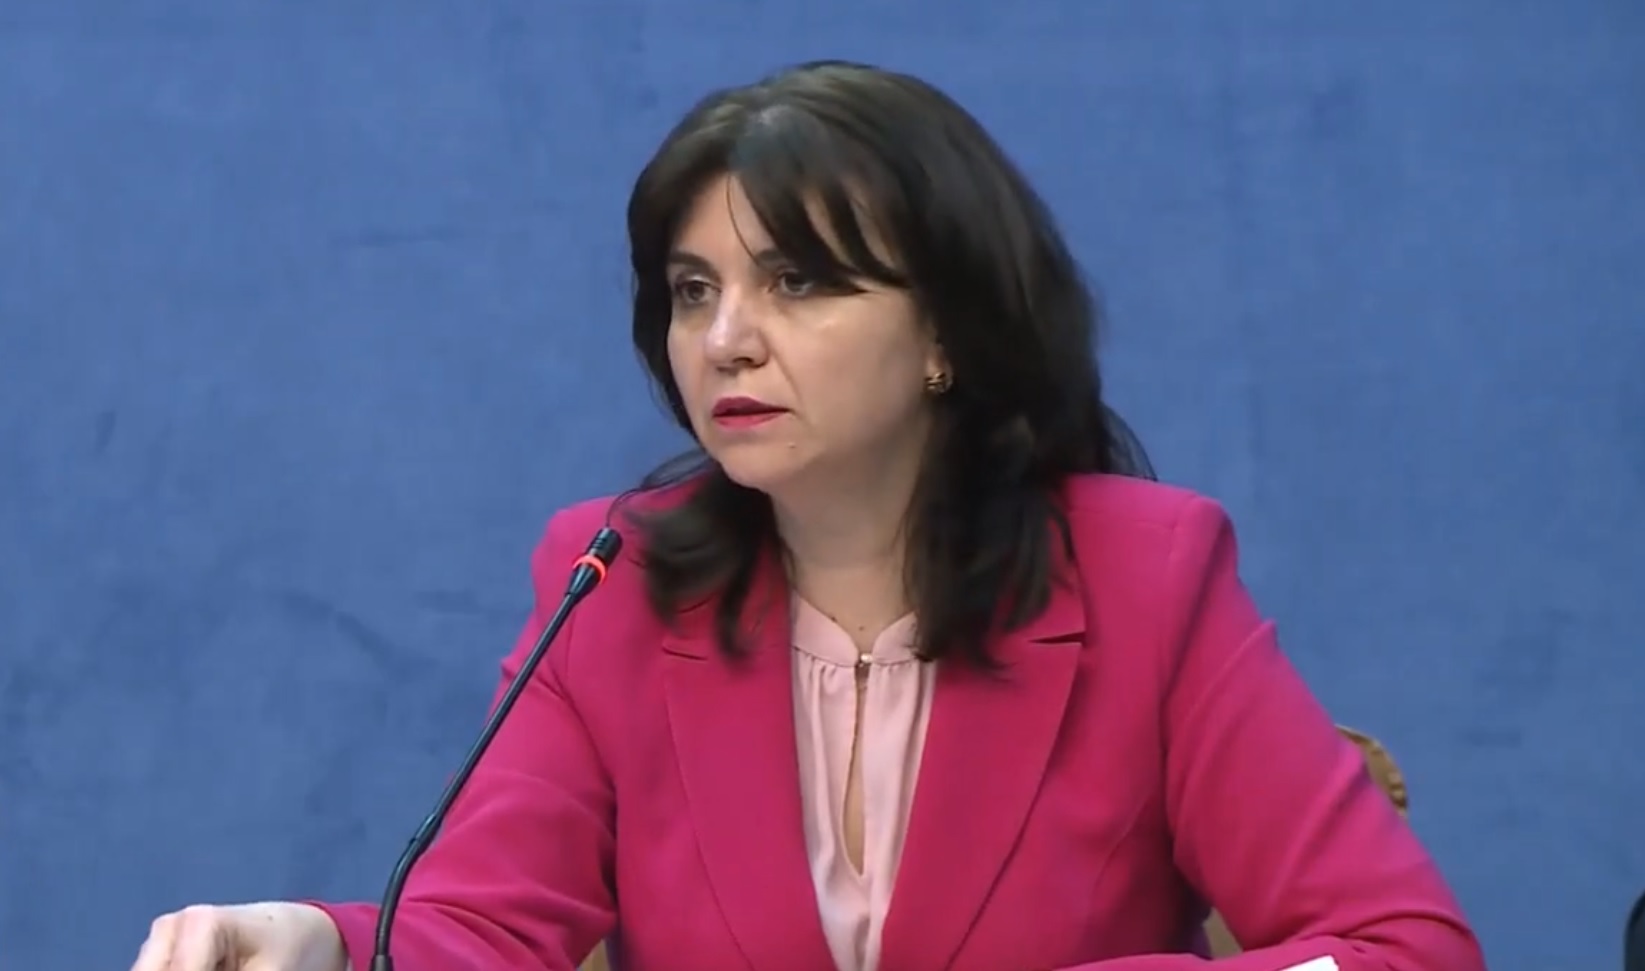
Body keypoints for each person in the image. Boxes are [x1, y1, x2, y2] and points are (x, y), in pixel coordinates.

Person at [130, 60, 1485, 971]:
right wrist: (318, 943)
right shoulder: (612, 580)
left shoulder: (1149, 576)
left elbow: (1399, 949)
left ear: (945, 331)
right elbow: (486, 930)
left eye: (797, 282)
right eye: (692, 290)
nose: (725, 338)